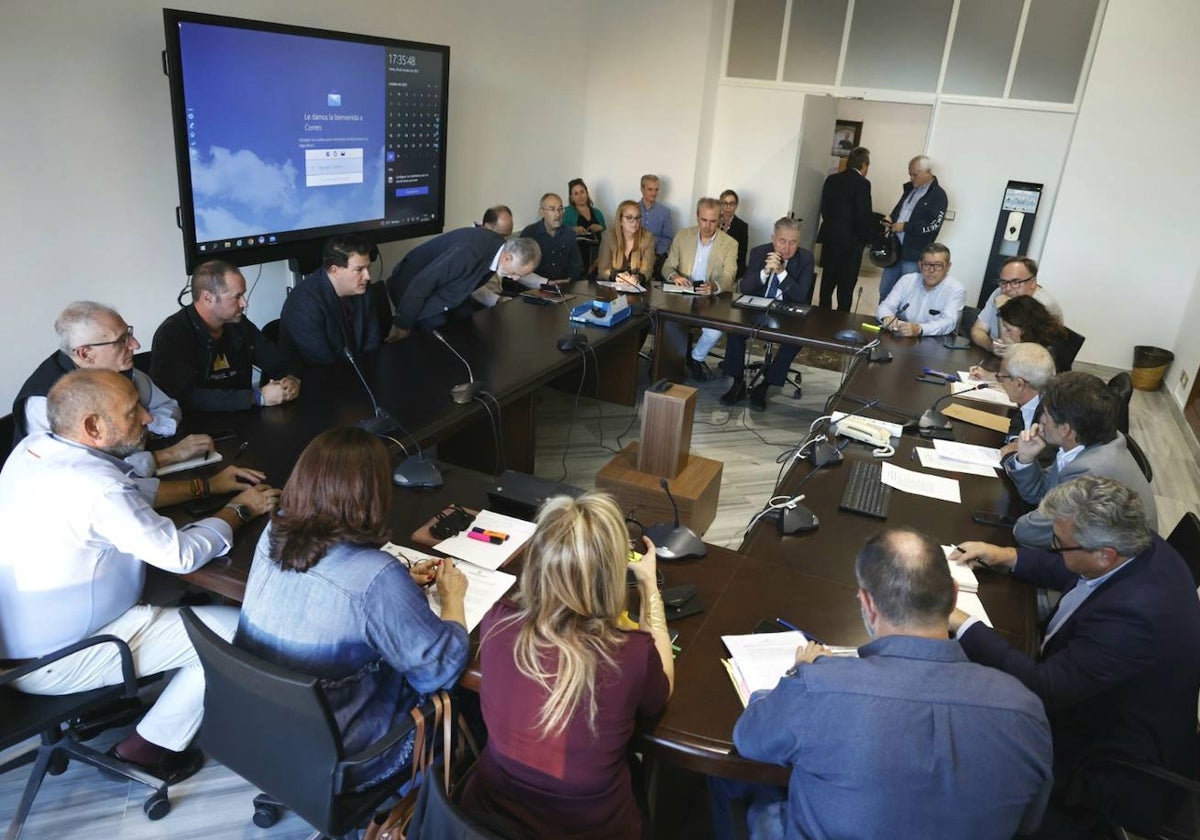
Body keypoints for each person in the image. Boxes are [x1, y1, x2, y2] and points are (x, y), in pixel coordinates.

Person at [0, 370, 279, 784]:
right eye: (133, 412)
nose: (148, 418)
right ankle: (147, 750)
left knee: (183, 595)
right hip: (60, 657)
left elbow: (127, 490)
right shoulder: (96, 488)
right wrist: (239, 510)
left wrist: (209, 485)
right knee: (244, 633)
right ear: (93, 426)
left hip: (21, 639)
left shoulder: (35, 449)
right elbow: (181, 554)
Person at [730, 528, 1052, 840]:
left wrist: (799, 673)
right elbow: (1029, 822)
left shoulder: (821, 686)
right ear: (954, 596)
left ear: (868, 605)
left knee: (744, 792)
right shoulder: (1025, 709)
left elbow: (748, 738)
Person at [951, 477, 1200, 836]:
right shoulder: (1133, 542)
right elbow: (1073, 569)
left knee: (964, 725)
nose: (1055, 549)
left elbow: (1043, 687)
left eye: (1058, 544)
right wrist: (1006, 556)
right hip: (1100, 694)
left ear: (1105, 553)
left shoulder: (1134, 618)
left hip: (1104, 753)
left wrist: (961, 622)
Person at [236, 427, 470, 790]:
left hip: (261, 732)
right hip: (346, 757)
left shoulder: (273, 534)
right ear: (374, 495)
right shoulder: (377, 578)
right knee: (465, 705)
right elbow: (439, 670)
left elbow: (324, 593)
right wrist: (452, 596)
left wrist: (400, 583)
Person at [459, 492, 673, 839]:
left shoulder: (496, 622)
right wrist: (649, 585)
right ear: (612, 574)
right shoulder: (630, 654)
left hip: (489, 818)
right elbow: (660, 692)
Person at [14, 301, 203, 479]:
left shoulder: (123, 371)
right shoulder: (46, 404)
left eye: (129, 333)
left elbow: (167, 406)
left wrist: (140, 430)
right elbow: (90, 475)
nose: (135, 345)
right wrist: (167, 455)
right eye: (122, 340)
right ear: (86, 354)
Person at [1002, 371, 1157, 547]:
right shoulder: (1087, 441)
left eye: (1045, 414)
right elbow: (1041, 493)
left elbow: (1028, 532)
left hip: (1112, 560)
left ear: (1065, 430)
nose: (1041, 420)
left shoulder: (1089, 472)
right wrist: (1026, 459)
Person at [152, 260, 300, 412]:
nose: (244, 303)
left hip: (244, 418)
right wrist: (255, 397)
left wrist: (291, 379)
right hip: (196, 426)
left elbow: (277, 361)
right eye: (237, 297)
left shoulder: (239, 323)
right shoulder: (172, 334)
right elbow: (181, 397)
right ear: (208, 298)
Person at [720, 218, 815, 410]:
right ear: (773, 239)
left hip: (786, 310)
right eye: (782, 241)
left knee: (794, 340)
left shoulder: (806, 259)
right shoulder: (759, 252)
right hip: (756, 308)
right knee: (735, 329)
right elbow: (745, 287)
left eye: (792, 242)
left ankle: (764, 386)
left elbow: (801, 295)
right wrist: (765, 271)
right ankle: (738, 383)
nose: (787, 247)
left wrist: (781, 272)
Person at [384, 228, 540, 338]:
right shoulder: (469, 253)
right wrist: (402, 325)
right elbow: (423, 282)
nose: (514, 279)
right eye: (515, 273)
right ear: (507, 258)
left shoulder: (499, 250)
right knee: (439, 333)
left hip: (446, 290)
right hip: (411, 287)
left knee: (469, 326)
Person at [663, 198, 739, 381]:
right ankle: (667, 364)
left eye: (713, 221)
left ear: (720, 219)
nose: (708, 225)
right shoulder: (683, 236)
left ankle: (695, 358)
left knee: (715, 330)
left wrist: (714, 286)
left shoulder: (730, 243)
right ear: (697, 216)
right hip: (682, 292)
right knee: (668, 322)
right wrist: (675, 277)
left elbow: (729, 275)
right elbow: (667, 266)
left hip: (710, 297)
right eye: (704, 220)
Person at [279, 234, 382, 368]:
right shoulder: (304, 304)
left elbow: (372, 341)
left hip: (358, 370)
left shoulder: (362, 287)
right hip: (316, 378)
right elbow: (323, 363)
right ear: (335, 270)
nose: (367, 276)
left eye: (368, 267)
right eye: (359, 270)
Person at [877, 155, 948, 302]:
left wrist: (905, 227)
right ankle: (882, 321)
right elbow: (900, 210)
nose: (911, 178)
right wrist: (890, 219)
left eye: (914, 174)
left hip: (914, 253)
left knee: (906, 293)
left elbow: (933, 225)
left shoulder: (938, 195)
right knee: (885, 289)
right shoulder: (910, 189)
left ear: (927, 172)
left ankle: (899, 325)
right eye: (910, 174)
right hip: (894, 249)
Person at [816, 146, 874, 311]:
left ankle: (822, 317)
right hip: (851, 243)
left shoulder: (831, 180)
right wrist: (867, 239)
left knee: (827, 283)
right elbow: (863, 214)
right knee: (846, 287)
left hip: (831, 239)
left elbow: (824, 209)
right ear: (864, 165)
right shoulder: (863, 184)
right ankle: (840, 321)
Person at [970, 342, 1056, 451]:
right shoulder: (1030, 402)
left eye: (1002, 378)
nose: (1001, 383)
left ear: (1019, 384)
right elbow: (1018, 422)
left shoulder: (1050, 421)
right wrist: (1016, 441)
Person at [970, 256, 1063, 353]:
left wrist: (1002, 309)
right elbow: (977, 330)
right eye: (1003, 282)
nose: (1008, 288)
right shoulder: (999, 292)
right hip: (995, 356)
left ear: (1033, 282)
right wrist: (990, 347)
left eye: (1016, 282)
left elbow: (1009, 348)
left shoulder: (1042, 305)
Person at [875, 242, 965, 337]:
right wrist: (887, 317)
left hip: (936, 343)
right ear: (920, 265)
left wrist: (920, 329)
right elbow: (885, 306)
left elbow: (949, 322)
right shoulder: (907, 281)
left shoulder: (956, 289)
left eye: (938, 265)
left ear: (948, 267)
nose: (931, 270)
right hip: (902, 338)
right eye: (927, 264)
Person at [995, 295, 1073, 372]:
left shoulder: (1039, 357)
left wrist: (1010, 352)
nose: (1005, 334)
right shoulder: (1044, 335)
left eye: (1008, 330)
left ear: (1025, 329)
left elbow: (1012, 380)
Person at [518, 193, 584, 282]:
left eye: (560, 209)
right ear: (542, 212)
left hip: (564, 287)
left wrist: (568, 280)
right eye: (552, 209)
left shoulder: (569, 233)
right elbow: (520, 268)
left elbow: (576, 266)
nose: (557, 214)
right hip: (535, 287)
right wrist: (545, 283)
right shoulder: (530, 233)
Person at [596, 199, 656, 284]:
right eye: (629, 218)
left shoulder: (648, 238)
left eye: (637, 217)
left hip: (638, 288)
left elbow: (647, 269)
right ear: (620, 220)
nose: (635, 222)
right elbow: (603, 269)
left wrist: (637, 278)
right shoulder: (608, 237)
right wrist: (617, 277)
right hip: (612, 287)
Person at [637, 174, 675, 281]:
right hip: (634, 254)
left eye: (656, 190)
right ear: (642, 188)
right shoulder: (633, 209)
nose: (654, 193)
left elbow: (668, 237)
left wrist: (656, 254)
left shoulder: (665, 212)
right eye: (650, 189)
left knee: (663, 277)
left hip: (657, 256)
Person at [718, 189, 749, 277]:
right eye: (725, 203)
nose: (728, 207)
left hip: (730, 270)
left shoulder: (742, 226)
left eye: (732, 203)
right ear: (720, 204)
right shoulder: (712, 221)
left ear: (736, 206)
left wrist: (736, 276)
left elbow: (742, 254)